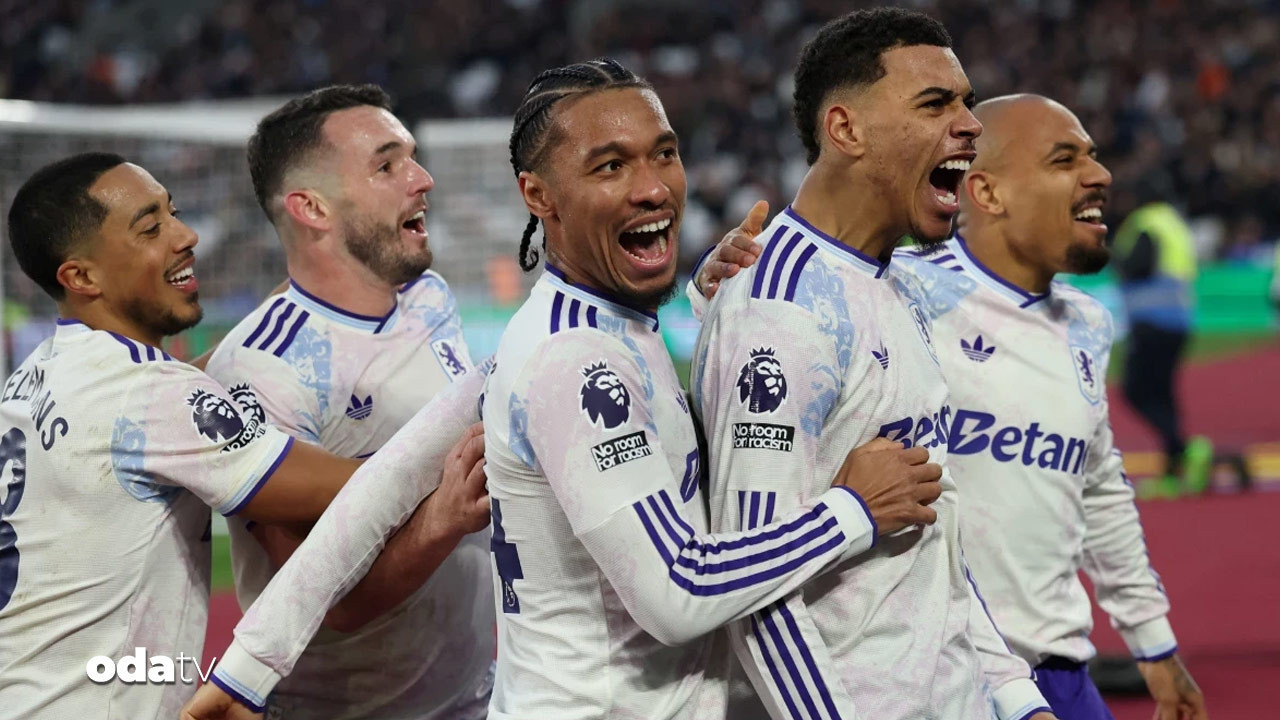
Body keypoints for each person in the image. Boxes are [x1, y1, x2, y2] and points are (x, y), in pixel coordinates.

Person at [182, 58, 945, 720]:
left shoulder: (594, 328)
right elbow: (679, 591)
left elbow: (382, 484)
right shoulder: (573, 359)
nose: (652, 187)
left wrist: (248, 666)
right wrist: (851, 511)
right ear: (539, 196)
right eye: (610, 167)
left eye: (664, 153)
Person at [695, 94, 1210, 720]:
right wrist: (715, 287)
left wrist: (1153, 643)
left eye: (1093, 156)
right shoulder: (909, 287)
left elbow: (1099, 487)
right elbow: (796, 318)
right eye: (1065, 159)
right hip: (939, 659)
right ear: (987, 193)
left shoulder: (1088, 323)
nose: (1099, 174)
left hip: (1053, 664)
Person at [0, 153, 489, 719]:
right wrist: (485, 409)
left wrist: (295, 306)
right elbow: (363, 487)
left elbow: (174, 396)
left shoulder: (38, 377)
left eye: (173, 212)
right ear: (81, 277)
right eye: (151, 228)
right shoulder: (149, 396)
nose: (186, 236)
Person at [690, 9, 1054, 720]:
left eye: (967, 103)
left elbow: (933, 540)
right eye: (935, 104)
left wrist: (1015, 698)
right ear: (846, 129)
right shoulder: (780, 311)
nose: (970, 125)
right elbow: (754, 598)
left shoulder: (894, 284)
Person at [199, 84, 496, 720]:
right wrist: (442, 518)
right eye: (387, 165)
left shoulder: (429, 296)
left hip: (477, 698)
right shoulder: (263, 374)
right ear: (312, 208)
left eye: (411, 157)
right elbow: (326, 604)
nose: (422, 179)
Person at [1112, 191, 1212, 495]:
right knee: (1163, 393)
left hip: (1151, 320)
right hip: (1179, 320)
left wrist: (1117, 260)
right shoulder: (1175, 224)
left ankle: (1184, 448)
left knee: (1135, 390)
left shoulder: (1146, 223)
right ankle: (1174, 470)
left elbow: (1139, 264)